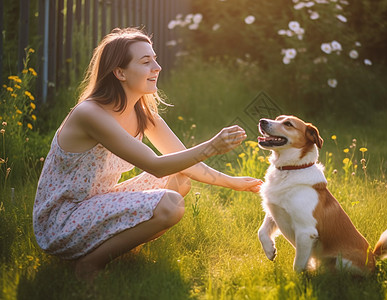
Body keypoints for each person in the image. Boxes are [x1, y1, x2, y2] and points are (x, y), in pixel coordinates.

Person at [33, 28, 262, 280]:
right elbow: (156, 165)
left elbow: (182, 160)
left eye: (155, 58)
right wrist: (211, 147)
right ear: (119, 72)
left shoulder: (142, 113)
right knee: (169, 206)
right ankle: (89, 265)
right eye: (146, 61)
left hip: (96, 204)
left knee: (180, 178)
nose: (157, 67)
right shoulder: (90, 114)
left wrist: (235, 183)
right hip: (63, 221)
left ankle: (120, 248)